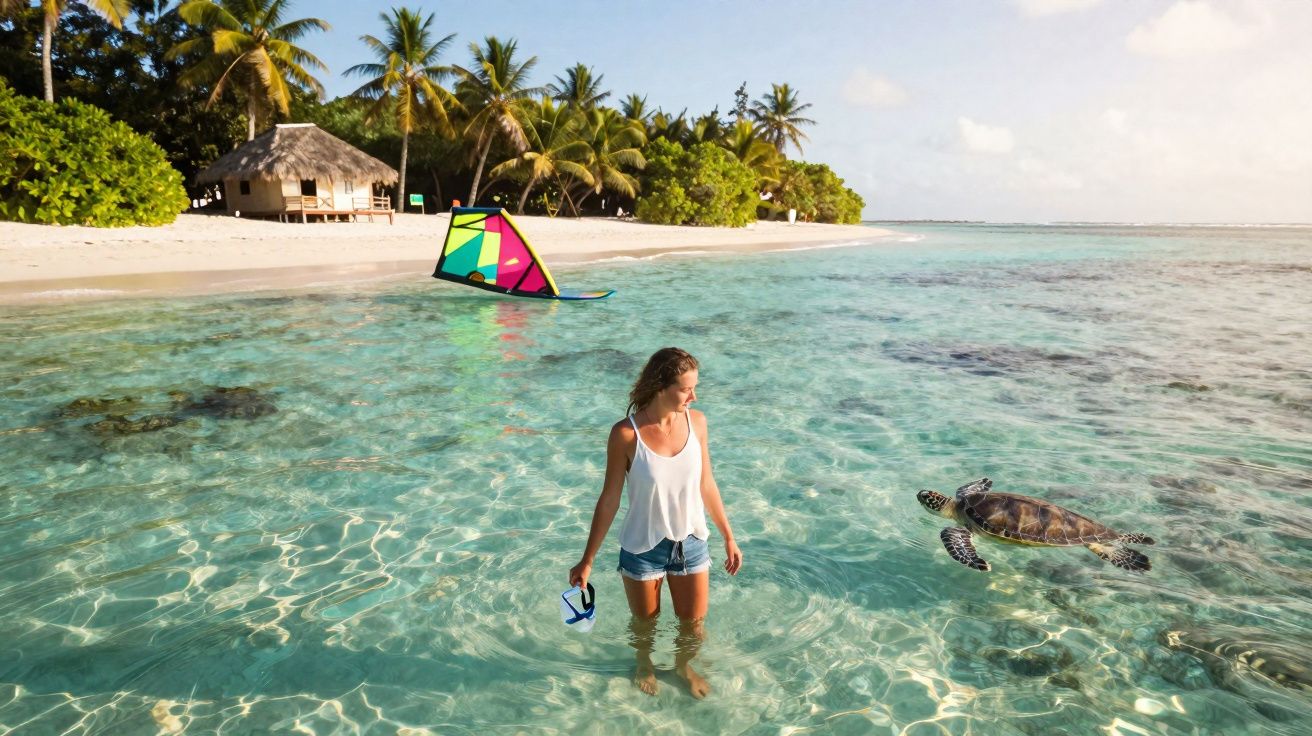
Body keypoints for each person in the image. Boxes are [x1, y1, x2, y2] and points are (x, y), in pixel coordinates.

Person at [569, 347, 743, 698]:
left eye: (694, 388)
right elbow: (609, 499)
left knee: (692, 628)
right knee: (644, 627)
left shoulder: (698, 422)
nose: (693, 396)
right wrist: (587, 559)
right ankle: (645, 663)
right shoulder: (626, 434)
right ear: (660, 386)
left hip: (691, 543)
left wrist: (728, 536)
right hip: (642, 547)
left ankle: (682, 666)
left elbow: (707, 482)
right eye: (685, 389)